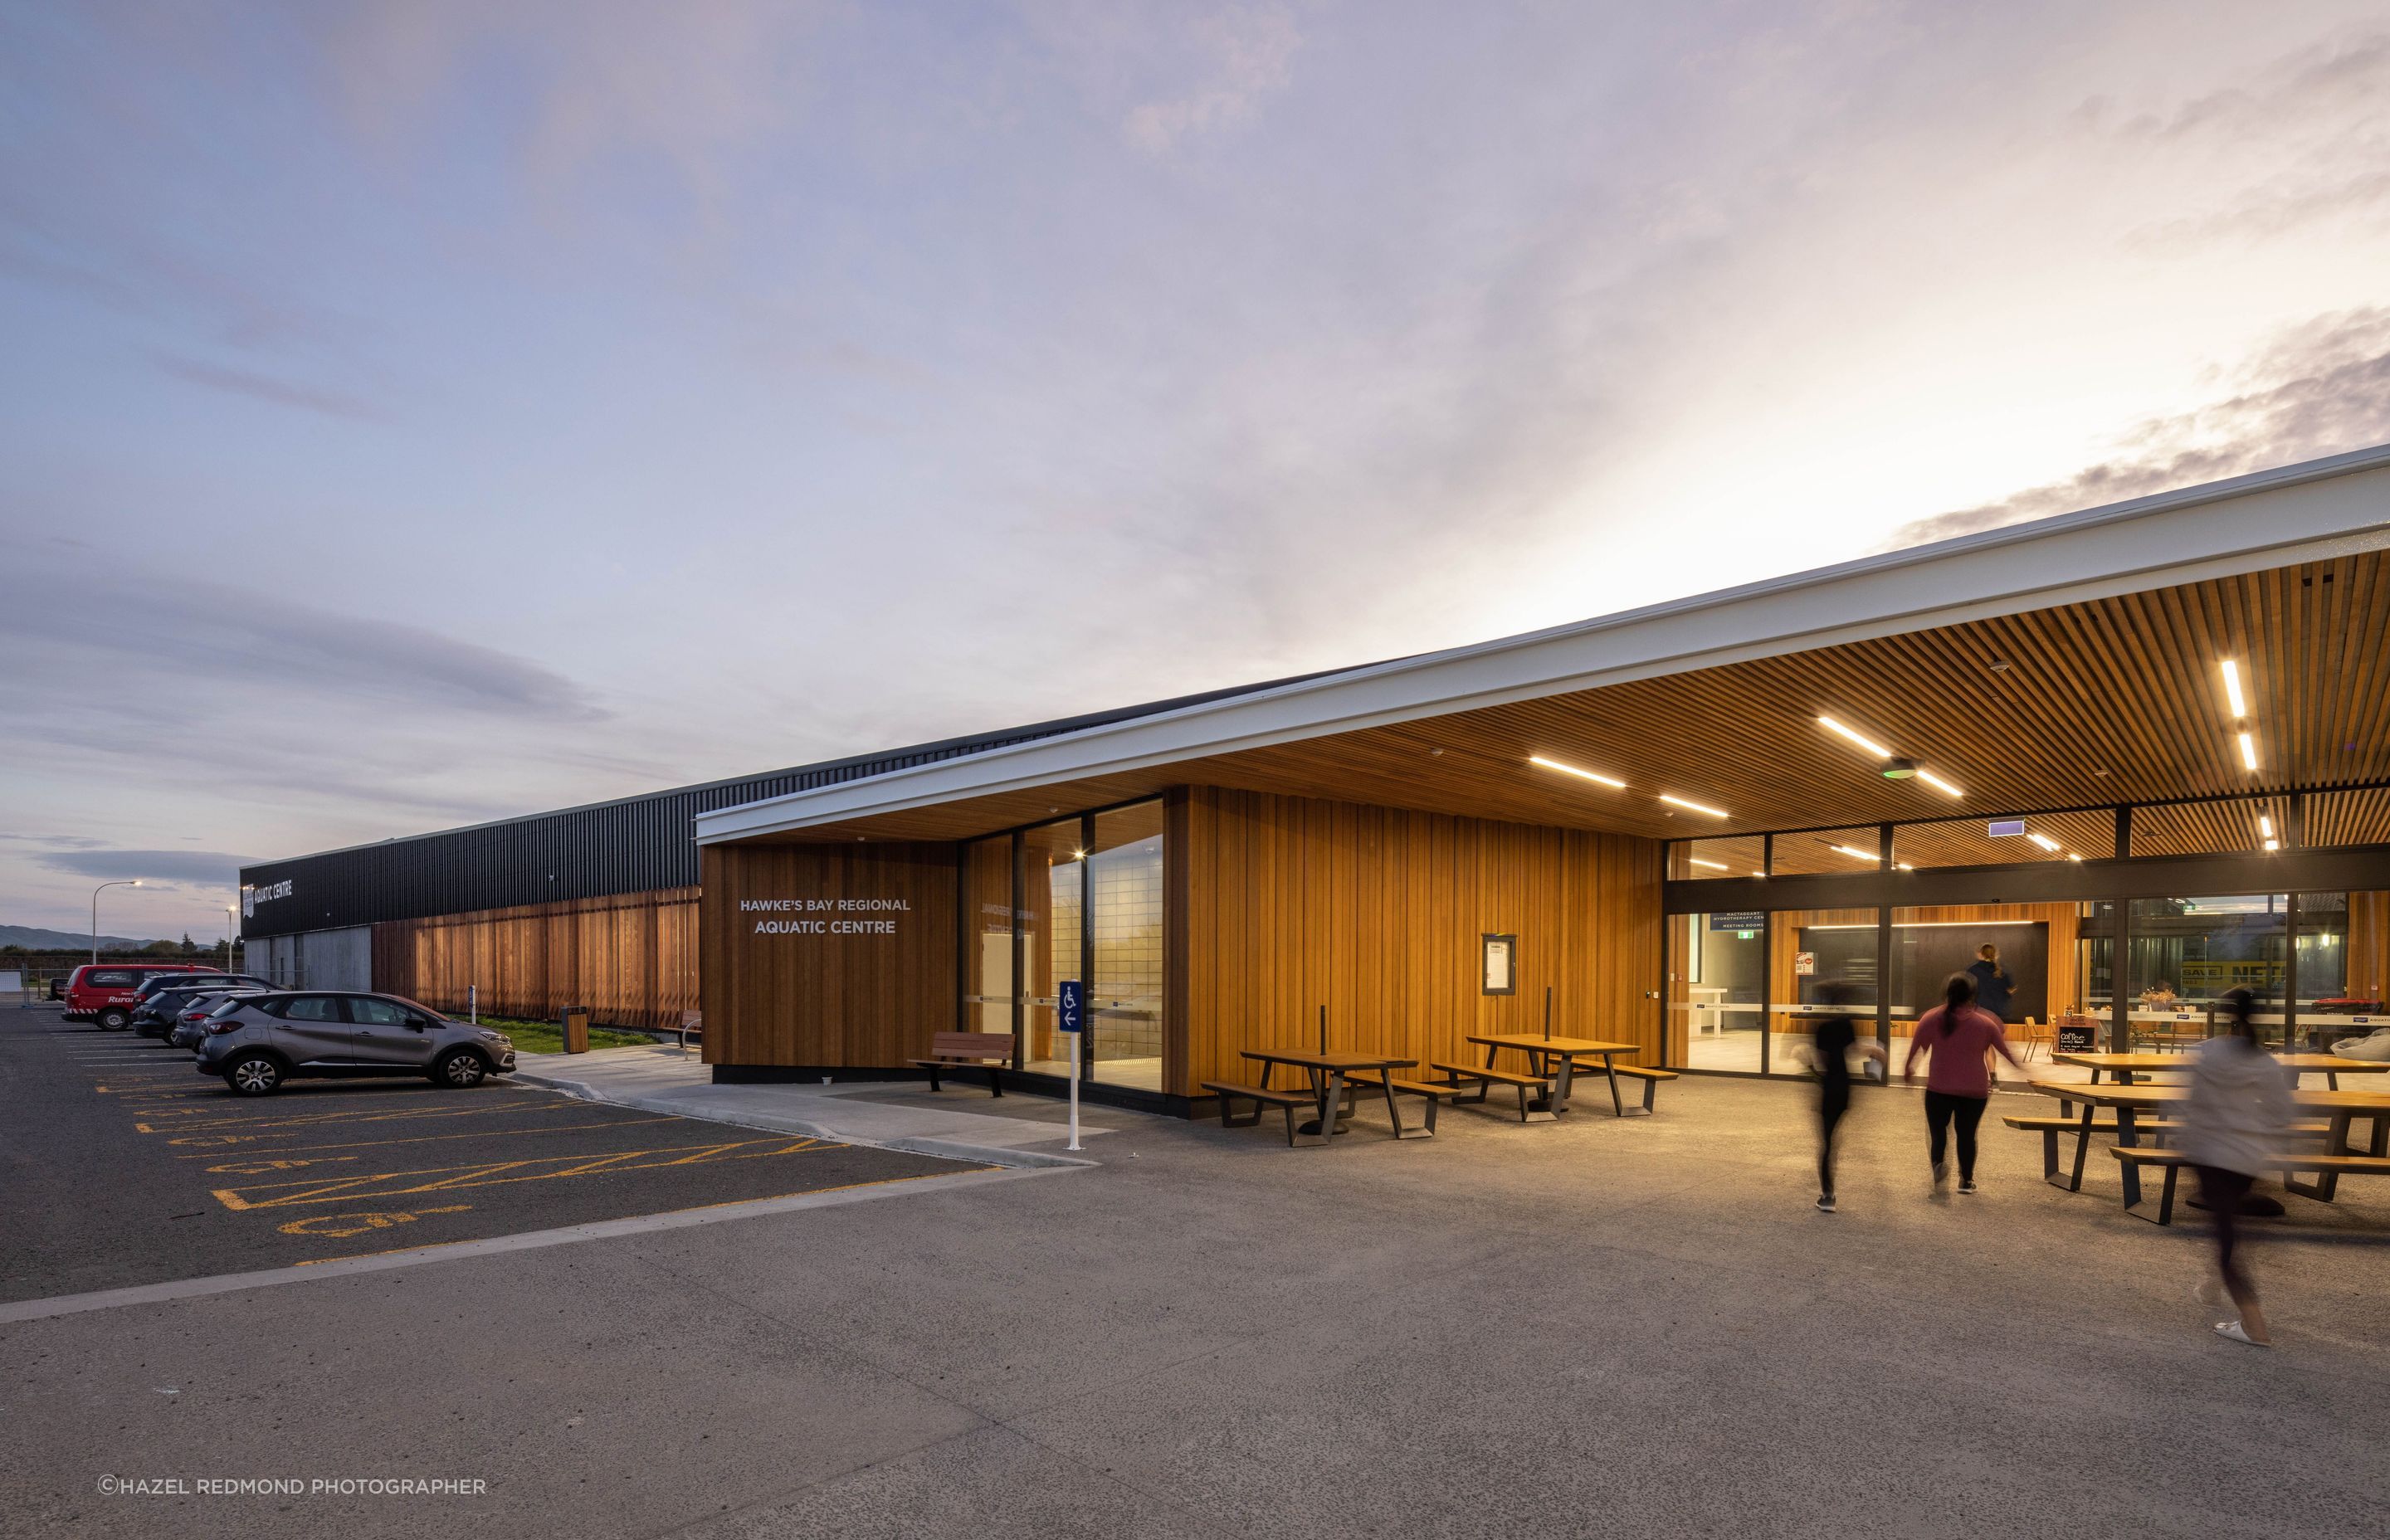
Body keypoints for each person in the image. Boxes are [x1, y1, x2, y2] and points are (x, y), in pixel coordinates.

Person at [2180, 987, 2294, 1348]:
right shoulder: (2263, 1061)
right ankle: (2213, 1288)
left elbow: (2187, 1104)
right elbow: (2282, 1114)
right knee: (2226, 1223)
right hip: (2247, 1157)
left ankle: (2254, 1325)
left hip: (2211, 1155)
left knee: (2226, 1236)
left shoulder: (2208, 1053)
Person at [1903, 972, 2025, 1194]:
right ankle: (1966, 1181)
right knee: (1967, 1134)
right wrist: (2025, 1070)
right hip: (1974, 1091)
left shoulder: (1930, 1018)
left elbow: (1916, 1049)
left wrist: (1908, 1069)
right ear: (1972, 995)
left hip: (1939, 1088)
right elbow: (2006, 1052)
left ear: (1947, 993)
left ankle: (1938, 1166)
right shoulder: (1987, 1022)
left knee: (1938, 1133)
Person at [1809, 982, 1886, 1213]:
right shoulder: (1847, 1024)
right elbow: (1853, 1051)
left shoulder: (1821, 1027)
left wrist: (1810, 1065)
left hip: (1828, 1088)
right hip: (1844, 1088)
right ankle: (1827, 1191)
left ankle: (1828, 1195)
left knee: (1827, 1143)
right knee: (1834, 1134)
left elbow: (1822, 1063)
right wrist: (1874, 1052)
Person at [1966, 943, 2014, 1022]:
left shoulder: (1972, 970)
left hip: (1979, 1013)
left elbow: (1967, 991)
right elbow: (2010, 990)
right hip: (1998, 1014)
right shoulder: (2003, 971)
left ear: (1981, 954)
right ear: (1996, 954)